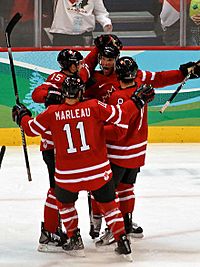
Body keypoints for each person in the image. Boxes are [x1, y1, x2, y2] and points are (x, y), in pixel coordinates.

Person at [12, 74, 155, 260]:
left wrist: (22, 116)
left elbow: (30, 129)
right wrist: (137, 100)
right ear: (81, 93)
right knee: (110, 206)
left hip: (68, 175)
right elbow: (121, 114)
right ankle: (122, 241)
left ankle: (74, 239)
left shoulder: (52, 112)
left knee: (65, 204)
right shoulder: (94, 106)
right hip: (97, 171)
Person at [86, 35, 200, 244]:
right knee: (116, 187)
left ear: (117, 60)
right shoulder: (96, 81)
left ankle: (115, 225)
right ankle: (109, 223)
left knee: (108, 188)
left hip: (115, 144)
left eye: (110, 59)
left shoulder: (133, 77)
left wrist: (183, 73)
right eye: (103, 58)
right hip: (127, 145)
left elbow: (160, 77)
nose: (105, 63)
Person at [32, 48, 99, 252]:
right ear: (68, 65)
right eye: (76, 63)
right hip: (54, 145)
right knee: (56, 189)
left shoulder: (78, 75)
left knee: (64, 189)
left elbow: (88, 63)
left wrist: (97, 47)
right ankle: (49, 231)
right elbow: (37, 94)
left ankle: (57, 229)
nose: (79, 65)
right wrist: (53, 95)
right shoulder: (57, 78)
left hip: (69, 145)